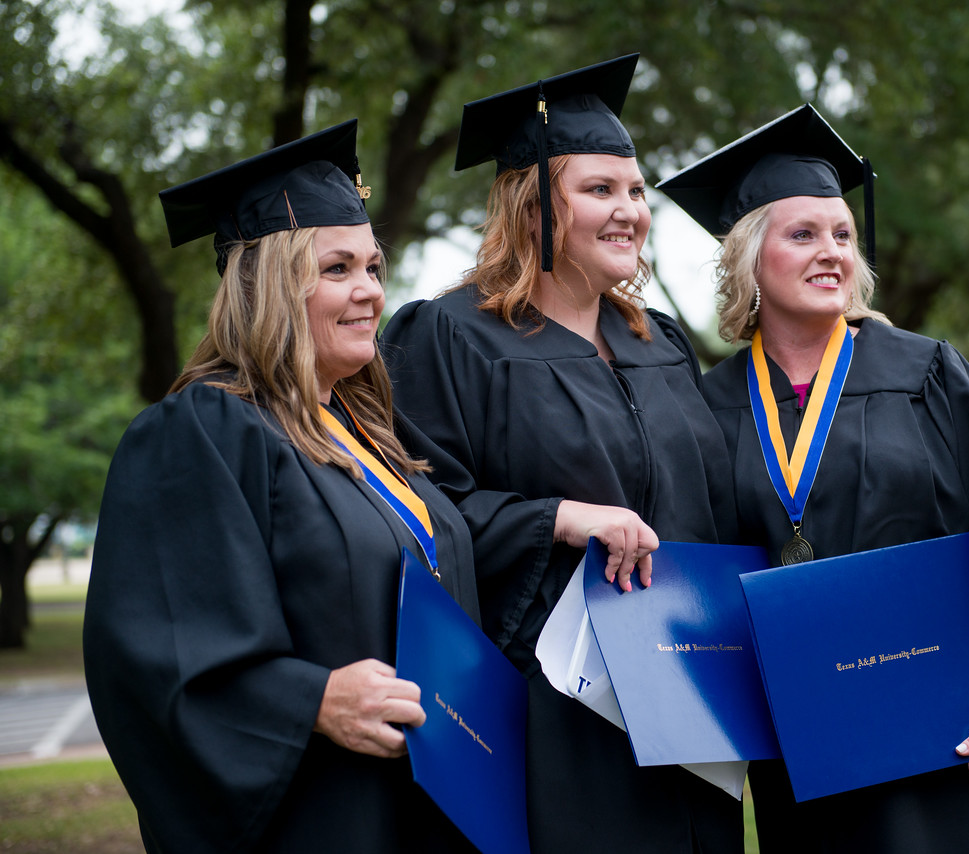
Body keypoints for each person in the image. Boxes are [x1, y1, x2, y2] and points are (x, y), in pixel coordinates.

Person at [657, 104, 969, 853]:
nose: (831, 252)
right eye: (803, 235)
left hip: (958, 729)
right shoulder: (709, 405)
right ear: (751, 257)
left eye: (843, 235)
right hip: (815, 753)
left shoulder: (926, 373)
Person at [83, 121, 482, 853]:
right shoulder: (204, 430)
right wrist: (314, 700)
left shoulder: (368, 432)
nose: (368, 292)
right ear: (271, 284)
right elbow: (154, 655)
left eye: (373, 268)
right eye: (336, 270)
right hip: (325, 818)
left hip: (428, 807)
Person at [380, 57, 742, 853]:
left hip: (684, 691)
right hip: (554, 706)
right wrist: (558, 518)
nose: (630, 212)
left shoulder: (661, 341)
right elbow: (414, 518)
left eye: (637, 191)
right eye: (600, 189)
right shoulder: (450, 337)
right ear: (533, 203)